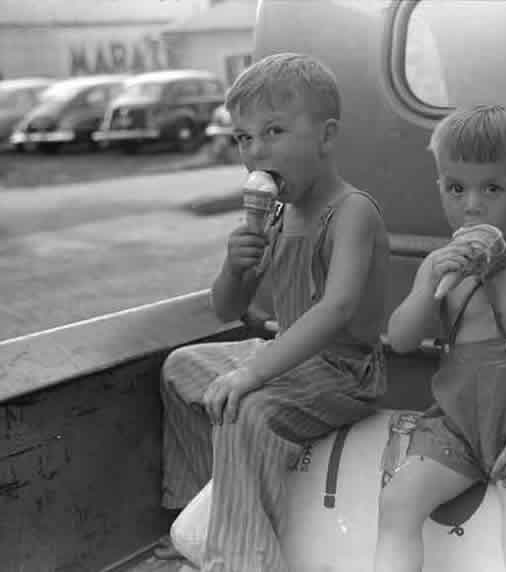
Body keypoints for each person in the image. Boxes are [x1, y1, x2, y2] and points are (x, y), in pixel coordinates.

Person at [158, 52, 390, 571]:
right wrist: (235, 267)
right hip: (286, 359)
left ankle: (243, 559)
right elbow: (226, 309)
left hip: (342, 372)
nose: (256, 151)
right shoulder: (279, 215)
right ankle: (203, 511)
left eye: (274, 131)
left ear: (326, 137)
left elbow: (337, 308)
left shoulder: (351, 212)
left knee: (249, 411)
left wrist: (251, 374)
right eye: (243, 138)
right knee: (180, 370)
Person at [374, 105, 506, 572]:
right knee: (396, 504)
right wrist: (430, 287)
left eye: (492, 188)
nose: (471, 204)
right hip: (456, 430)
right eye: (456, 188)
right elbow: (403, 339)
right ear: (440, 190)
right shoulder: (437, 266)